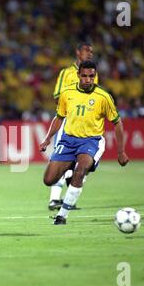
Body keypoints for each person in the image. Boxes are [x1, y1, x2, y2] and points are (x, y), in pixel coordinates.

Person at [39, 60, 129, 225]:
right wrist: (47, 139)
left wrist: (121, 151)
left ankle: (62, 216)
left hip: (90, 141)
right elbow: (59, 117)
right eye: (85, 76)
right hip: (68, 140)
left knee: (81, 171)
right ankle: (71, 169)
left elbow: (117, 123)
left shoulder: (103, 97)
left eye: (91, 76)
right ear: (79, 75)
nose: (88, 80)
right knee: (48, 180)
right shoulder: (67, 93)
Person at [48, 42, 98, 211]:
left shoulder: (93, 74)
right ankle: (54, 199)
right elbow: (57, 97)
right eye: (86, 50)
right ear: (78, 52)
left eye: (91, 51)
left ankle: (69, 199)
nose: (89, 53)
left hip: (86, 124)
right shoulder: (67, 73)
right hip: (67, 120)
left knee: (81, 164)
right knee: (62, 157)